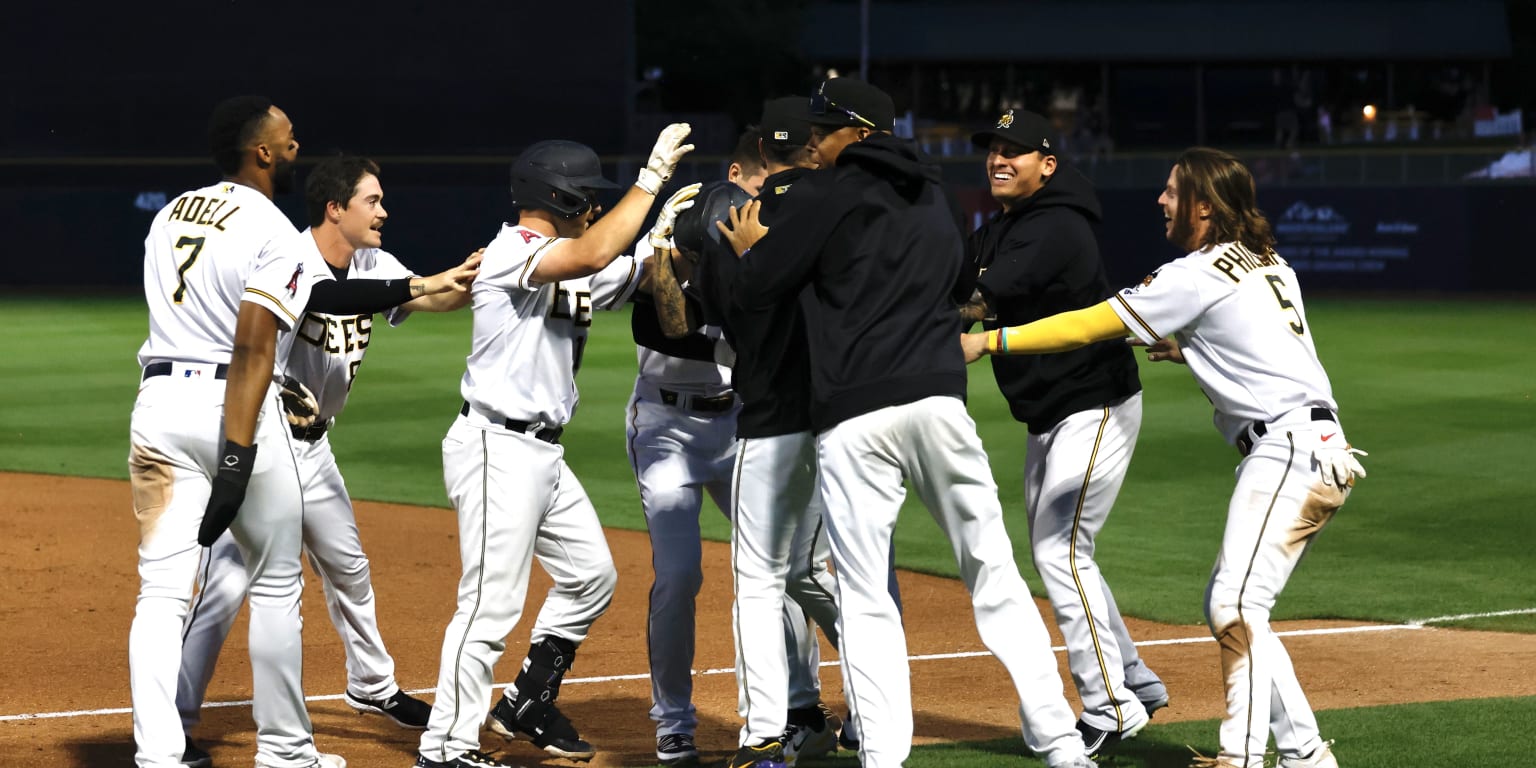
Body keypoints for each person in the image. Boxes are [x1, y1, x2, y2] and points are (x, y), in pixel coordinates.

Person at [718, 77, 1094, 768]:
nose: (815, 142)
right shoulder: (938, 197)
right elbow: (958, 295)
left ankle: (884, 758)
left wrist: (749, 248)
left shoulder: (826, 196)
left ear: (856, 134)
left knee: (863, 600)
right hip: (940, 402)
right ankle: (1063, 745)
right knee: (995, 575)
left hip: (856, 417)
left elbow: (758, 290)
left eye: (825, 130)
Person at [961, 147, 1366, 768]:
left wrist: (993, 339)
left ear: (1204, 205)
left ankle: (1241, 757)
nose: (1161, 200)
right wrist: (1193, 350)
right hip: (1313, 444)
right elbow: (1261, 342)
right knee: (1239, 607)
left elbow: (1089, 325)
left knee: (1235, 607)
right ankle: (1307, 754)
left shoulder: (1195, 274)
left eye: (1173, 191)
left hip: (1286, 448)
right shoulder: (1268, 261)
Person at [177, 155, 483, 757]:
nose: (384, 211)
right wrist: (421, 283)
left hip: (314, 449)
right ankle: (174, 711)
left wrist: (471, 277)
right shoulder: (287, 256)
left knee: (348, 566)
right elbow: (327, 300)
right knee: (229, 581)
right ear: (334, 208)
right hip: (262, 441)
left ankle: (372, 685)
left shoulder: (375, 261)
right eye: (372, 200)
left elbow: (424, 299)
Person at [413, 127, 698, 768]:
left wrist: (671, 240)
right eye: (586, 197)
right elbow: (595, 256)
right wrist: (649, 182)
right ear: (559, 196)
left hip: (542, 455)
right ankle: (445, 748)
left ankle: (526, 701)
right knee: (489, 605)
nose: (594, 207)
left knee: (590, 577)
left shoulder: (569, 261)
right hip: (495, 445)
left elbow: (640, 273)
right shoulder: (512, 250)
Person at [128, 94, 332, 768]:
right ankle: (285, 753)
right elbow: (252, 348)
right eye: (288, 134)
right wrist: (239, 455)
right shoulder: (272, 227)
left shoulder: (168, 213)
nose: (297, 142)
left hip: (157, 406)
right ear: (262, 152)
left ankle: (159, 755)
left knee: (160, 592)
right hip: (231, 409)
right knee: (275, 579)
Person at [960, 108, 1167, 757]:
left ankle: (1109, 705)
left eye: (1014, 150)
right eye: (993, 148)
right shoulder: (1008, 225)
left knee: (1060, 552)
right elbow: (965, 286)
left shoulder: (1057, 227)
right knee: (1065, 550)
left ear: (1047, 164)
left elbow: (981, 292)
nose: (999, 158)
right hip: (1050, 410)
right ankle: (1134, 677)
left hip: (1094, 403)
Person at [676, 97, 847, 768]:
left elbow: (713, 313)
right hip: (835, 416)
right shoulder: (842, 213)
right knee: (808, 570)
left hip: (771, 415)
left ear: (759, 161)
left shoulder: (730, 223)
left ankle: (765, 737)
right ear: (815, 148)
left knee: (759, 577)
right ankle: (872, 694)